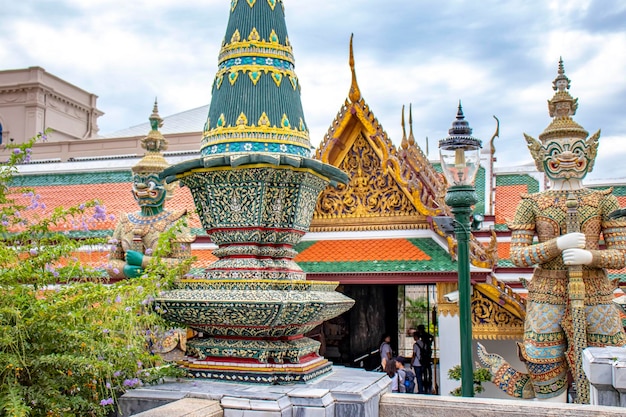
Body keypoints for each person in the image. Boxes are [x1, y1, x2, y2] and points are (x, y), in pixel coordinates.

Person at [479, 60, 626, 403]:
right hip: (545, 294)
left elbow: (621, 255)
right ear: (541, 156)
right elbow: (516, 255)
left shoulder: (602, 201)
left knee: (610, 375)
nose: (567, 159)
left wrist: (591, 256)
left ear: (588, 154)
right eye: (556, 152)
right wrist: (556, 244)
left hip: (596, 293)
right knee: (548, 383)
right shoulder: (533, 203)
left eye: (575, 151)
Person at [107, 102, 195, 280]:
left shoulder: (176, 222)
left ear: (168, 186)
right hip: (130, 295)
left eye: (150, 181)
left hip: (166, 293)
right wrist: (125, 269)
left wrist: (144, 261)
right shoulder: (125, 222)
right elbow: (112, 262)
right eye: (138, 181)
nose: (142, 187)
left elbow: (184, 265)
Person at [416, 324, 433, 394]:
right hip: (425, 353)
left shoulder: (424, 335)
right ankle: (426, 383)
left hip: (426, 354)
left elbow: (432, 337)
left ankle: (426, 384)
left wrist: (429, 343)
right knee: (426, 369)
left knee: (425, 369)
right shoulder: (423, 335)